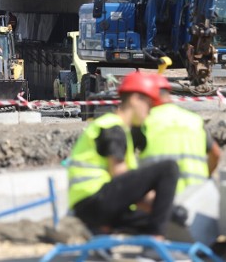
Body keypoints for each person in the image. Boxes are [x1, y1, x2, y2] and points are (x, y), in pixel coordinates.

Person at [67, 72, 179, 239]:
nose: (148, 113)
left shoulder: (121, 130)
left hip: (94, 206)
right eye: (148, 106)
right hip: (94, 201)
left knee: (165, 218)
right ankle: (156, 239)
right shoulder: (112, 127)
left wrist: (164, 208)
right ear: (135, 99)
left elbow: (126, 187)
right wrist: (157, 202)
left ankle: (104, 231)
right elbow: (120, 177)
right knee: (169, 168)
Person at [136, 75, 221, 194]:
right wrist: (205, 176)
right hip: (196, 194)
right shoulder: (194, 119)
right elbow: (216, 154)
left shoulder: (145, 122)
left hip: (160, 198)